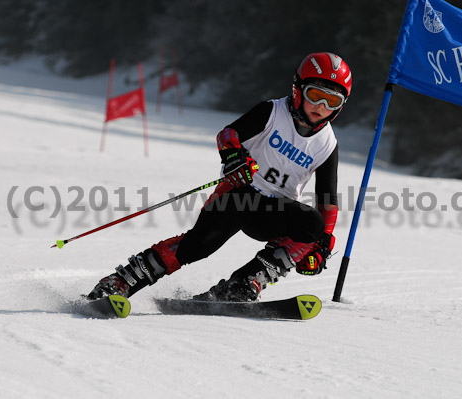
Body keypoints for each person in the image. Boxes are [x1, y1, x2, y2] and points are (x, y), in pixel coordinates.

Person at [87, 52, 352, 302]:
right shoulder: (272, 112)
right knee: (199, 246)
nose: (321, 106)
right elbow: (228, 134)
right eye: (315, 94)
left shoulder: (326, 144)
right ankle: (121, 281)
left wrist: (323, 243)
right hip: (237, 196)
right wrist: (234, 157)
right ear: (298, 89)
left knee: (312, 224)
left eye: (332, 101)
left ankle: (243, 284)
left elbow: (327, 200)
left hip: (273, 212)